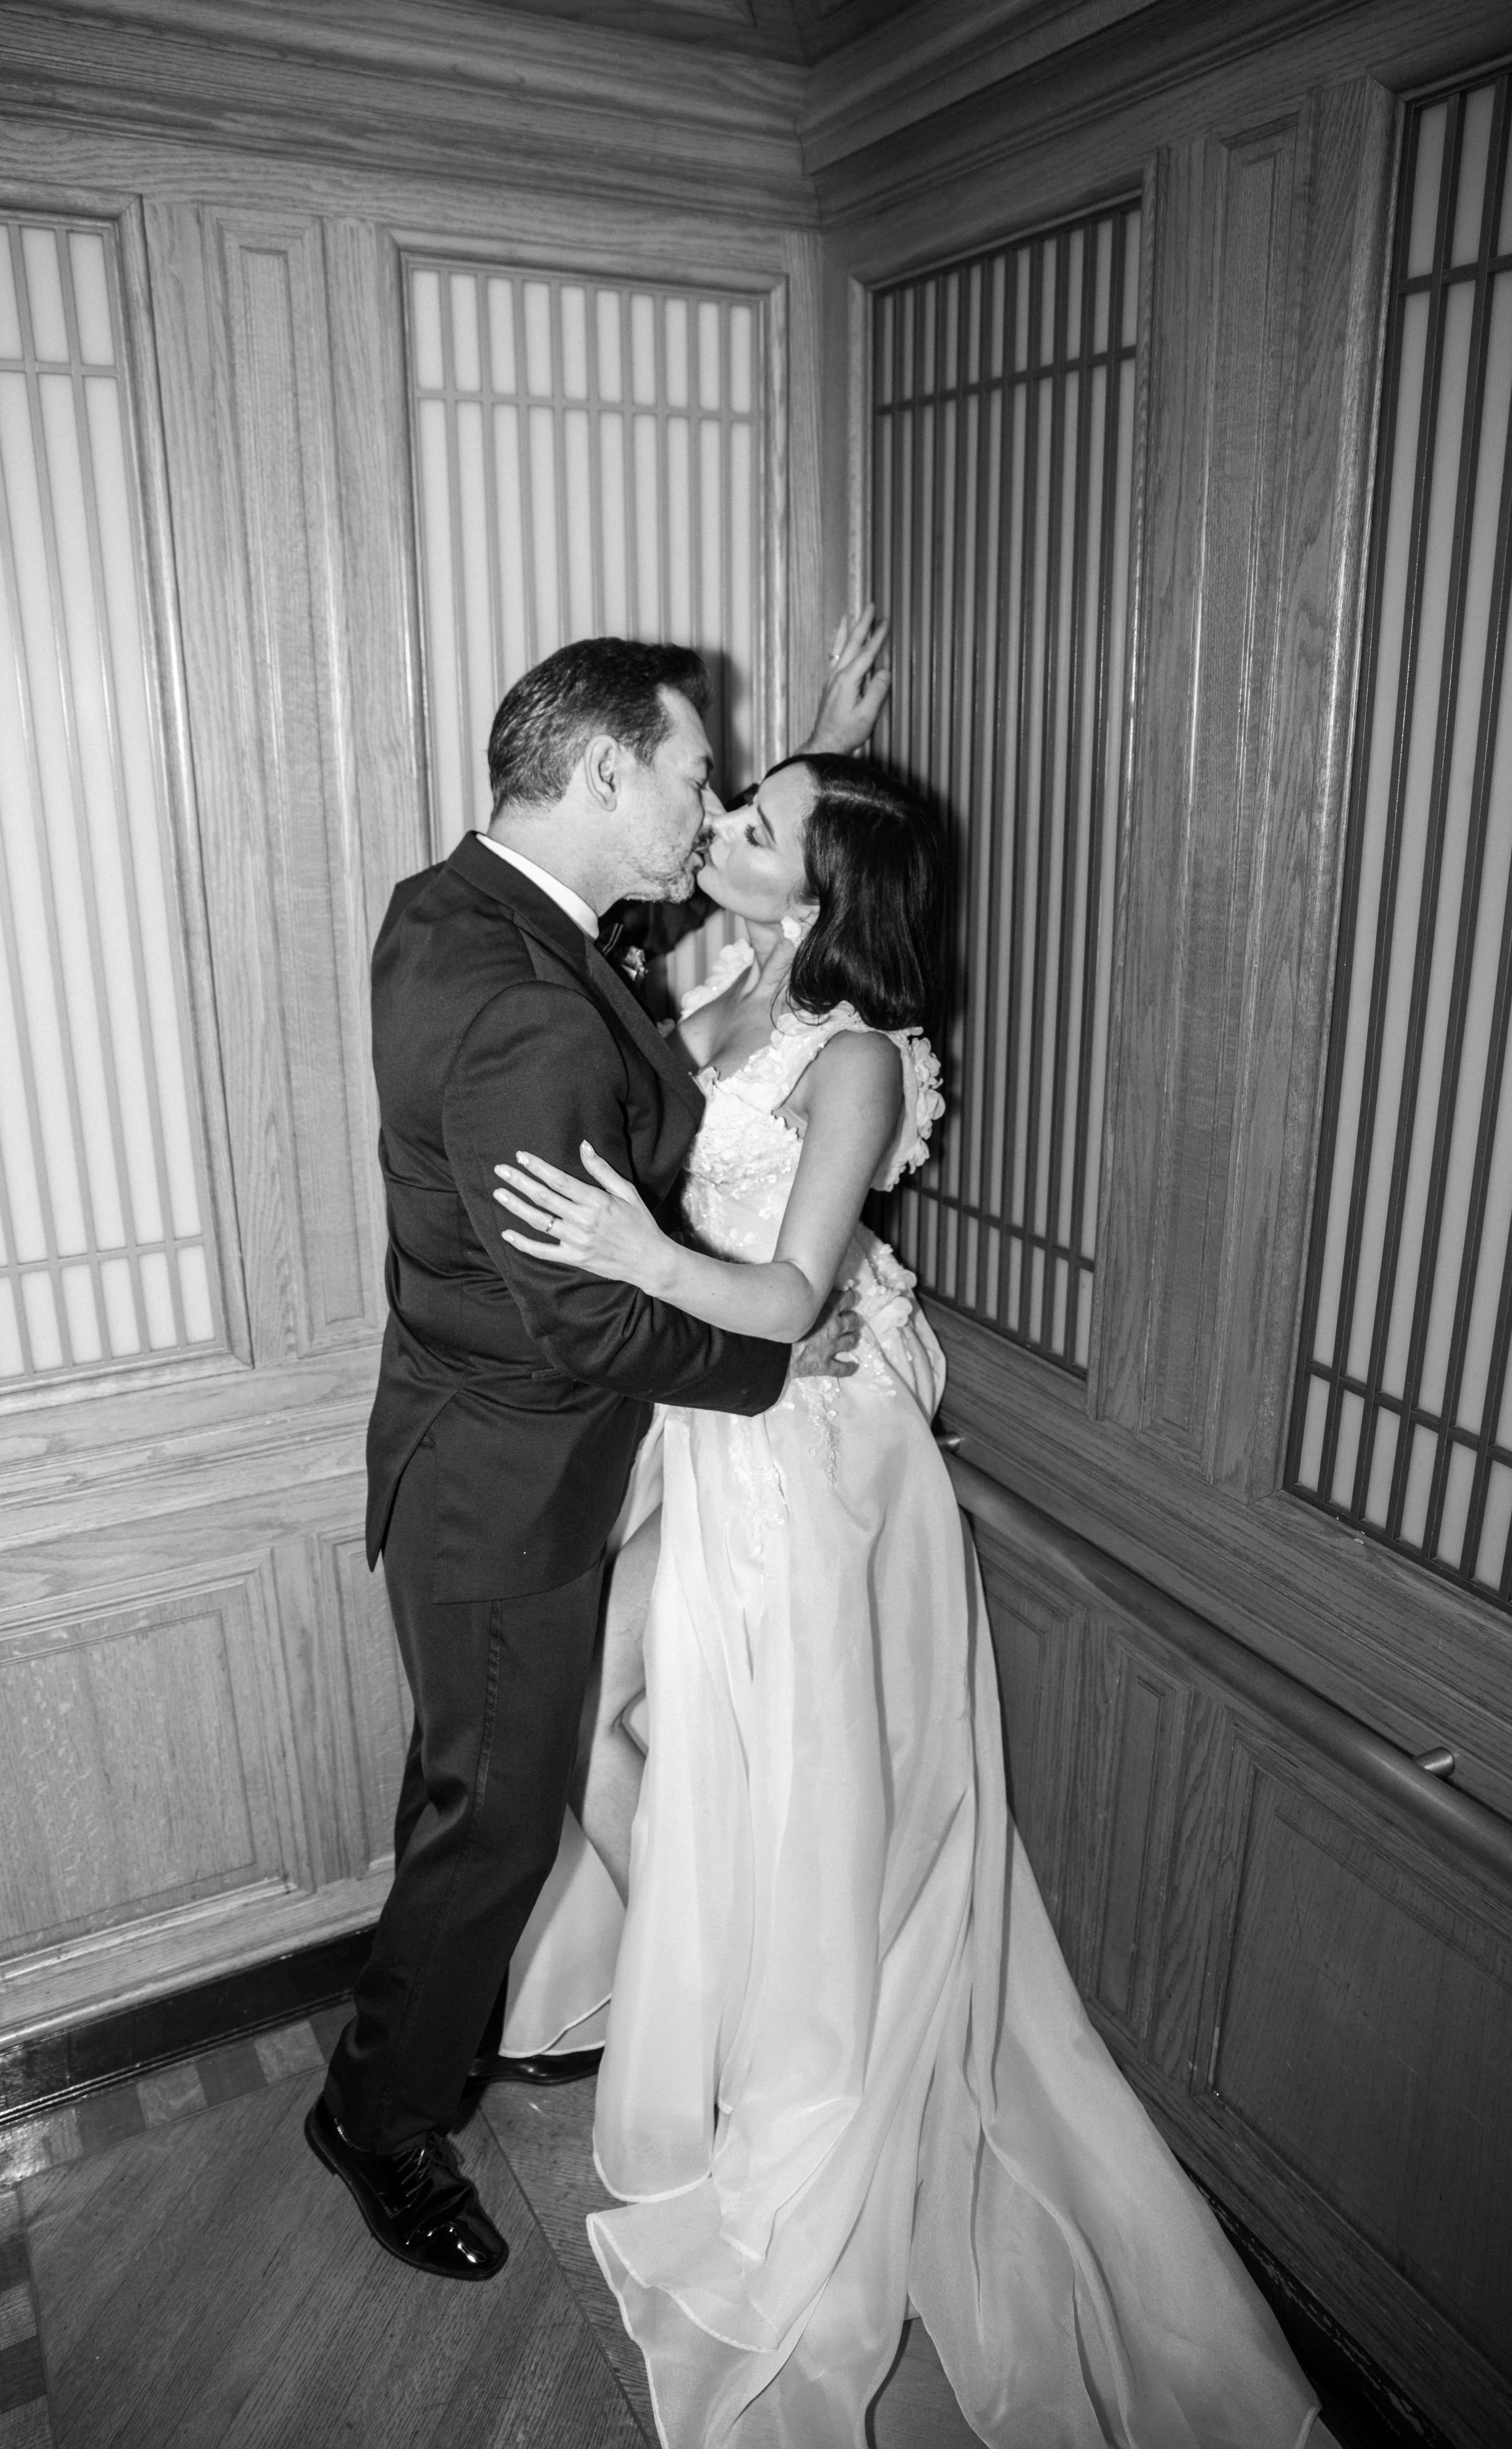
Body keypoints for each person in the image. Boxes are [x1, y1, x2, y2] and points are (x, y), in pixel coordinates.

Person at [492, 754, 1326, 2446]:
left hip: (805, 1454)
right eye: (729, 801)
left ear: (819, 892)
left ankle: (787, 2057)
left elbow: (797, 1289)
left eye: (754, 822)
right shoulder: (731, 982)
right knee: (607, 1716)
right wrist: (826, 745)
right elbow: (760, 921)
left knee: (777, 1773)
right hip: (708, 1422)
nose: (718, 824)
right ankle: (724, 1998)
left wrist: (634, 1252)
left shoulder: (859, 1057)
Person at [306, 638, 874, 2284]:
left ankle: (422, 2048)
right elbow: (586, 1321)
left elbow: (644, 959)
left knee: (477, 1792)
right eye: (694, 775)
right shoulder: (526, 1006)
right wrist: (772, 1359)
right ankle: (378, 2117)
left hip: (463, 1442)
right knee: (491, 1822)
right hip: (505, 1484)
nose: (708, 804)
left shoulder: (452, 908)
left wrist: (818, 774)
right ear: (606, 771)